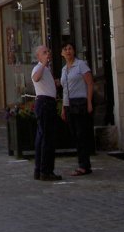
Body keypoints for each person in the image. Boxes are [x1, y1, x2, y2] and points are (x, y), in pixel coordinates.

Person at [60, 41, 94, 176]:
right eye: (65, 49)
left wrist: (89, 102)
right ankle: (83, 163)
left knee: (81, 134)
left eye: (70, 48)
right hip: (69, 104)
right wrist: (63, 107)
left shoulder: (81, 65)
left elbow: (90, 83)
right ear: (62, 53)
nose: (68, 51)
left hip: (80, 103)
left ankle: (84, 165)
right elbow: (65, 90)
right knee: (74, 134)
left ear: (74, 51)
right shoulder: (64, 69)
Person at [31, 45, 62, 182]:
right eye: (44, 52)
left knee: (42, 138)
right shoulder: (39, 67)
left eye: (48, 51)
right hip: (44, 104)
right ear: (38, 56)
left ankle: (39, 170)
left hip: (47, 103)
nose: (47, 54)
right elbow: (36, 78)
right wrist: (43, 64)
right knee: (47, 139)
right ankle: (46, 171)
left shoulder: (46, 69)